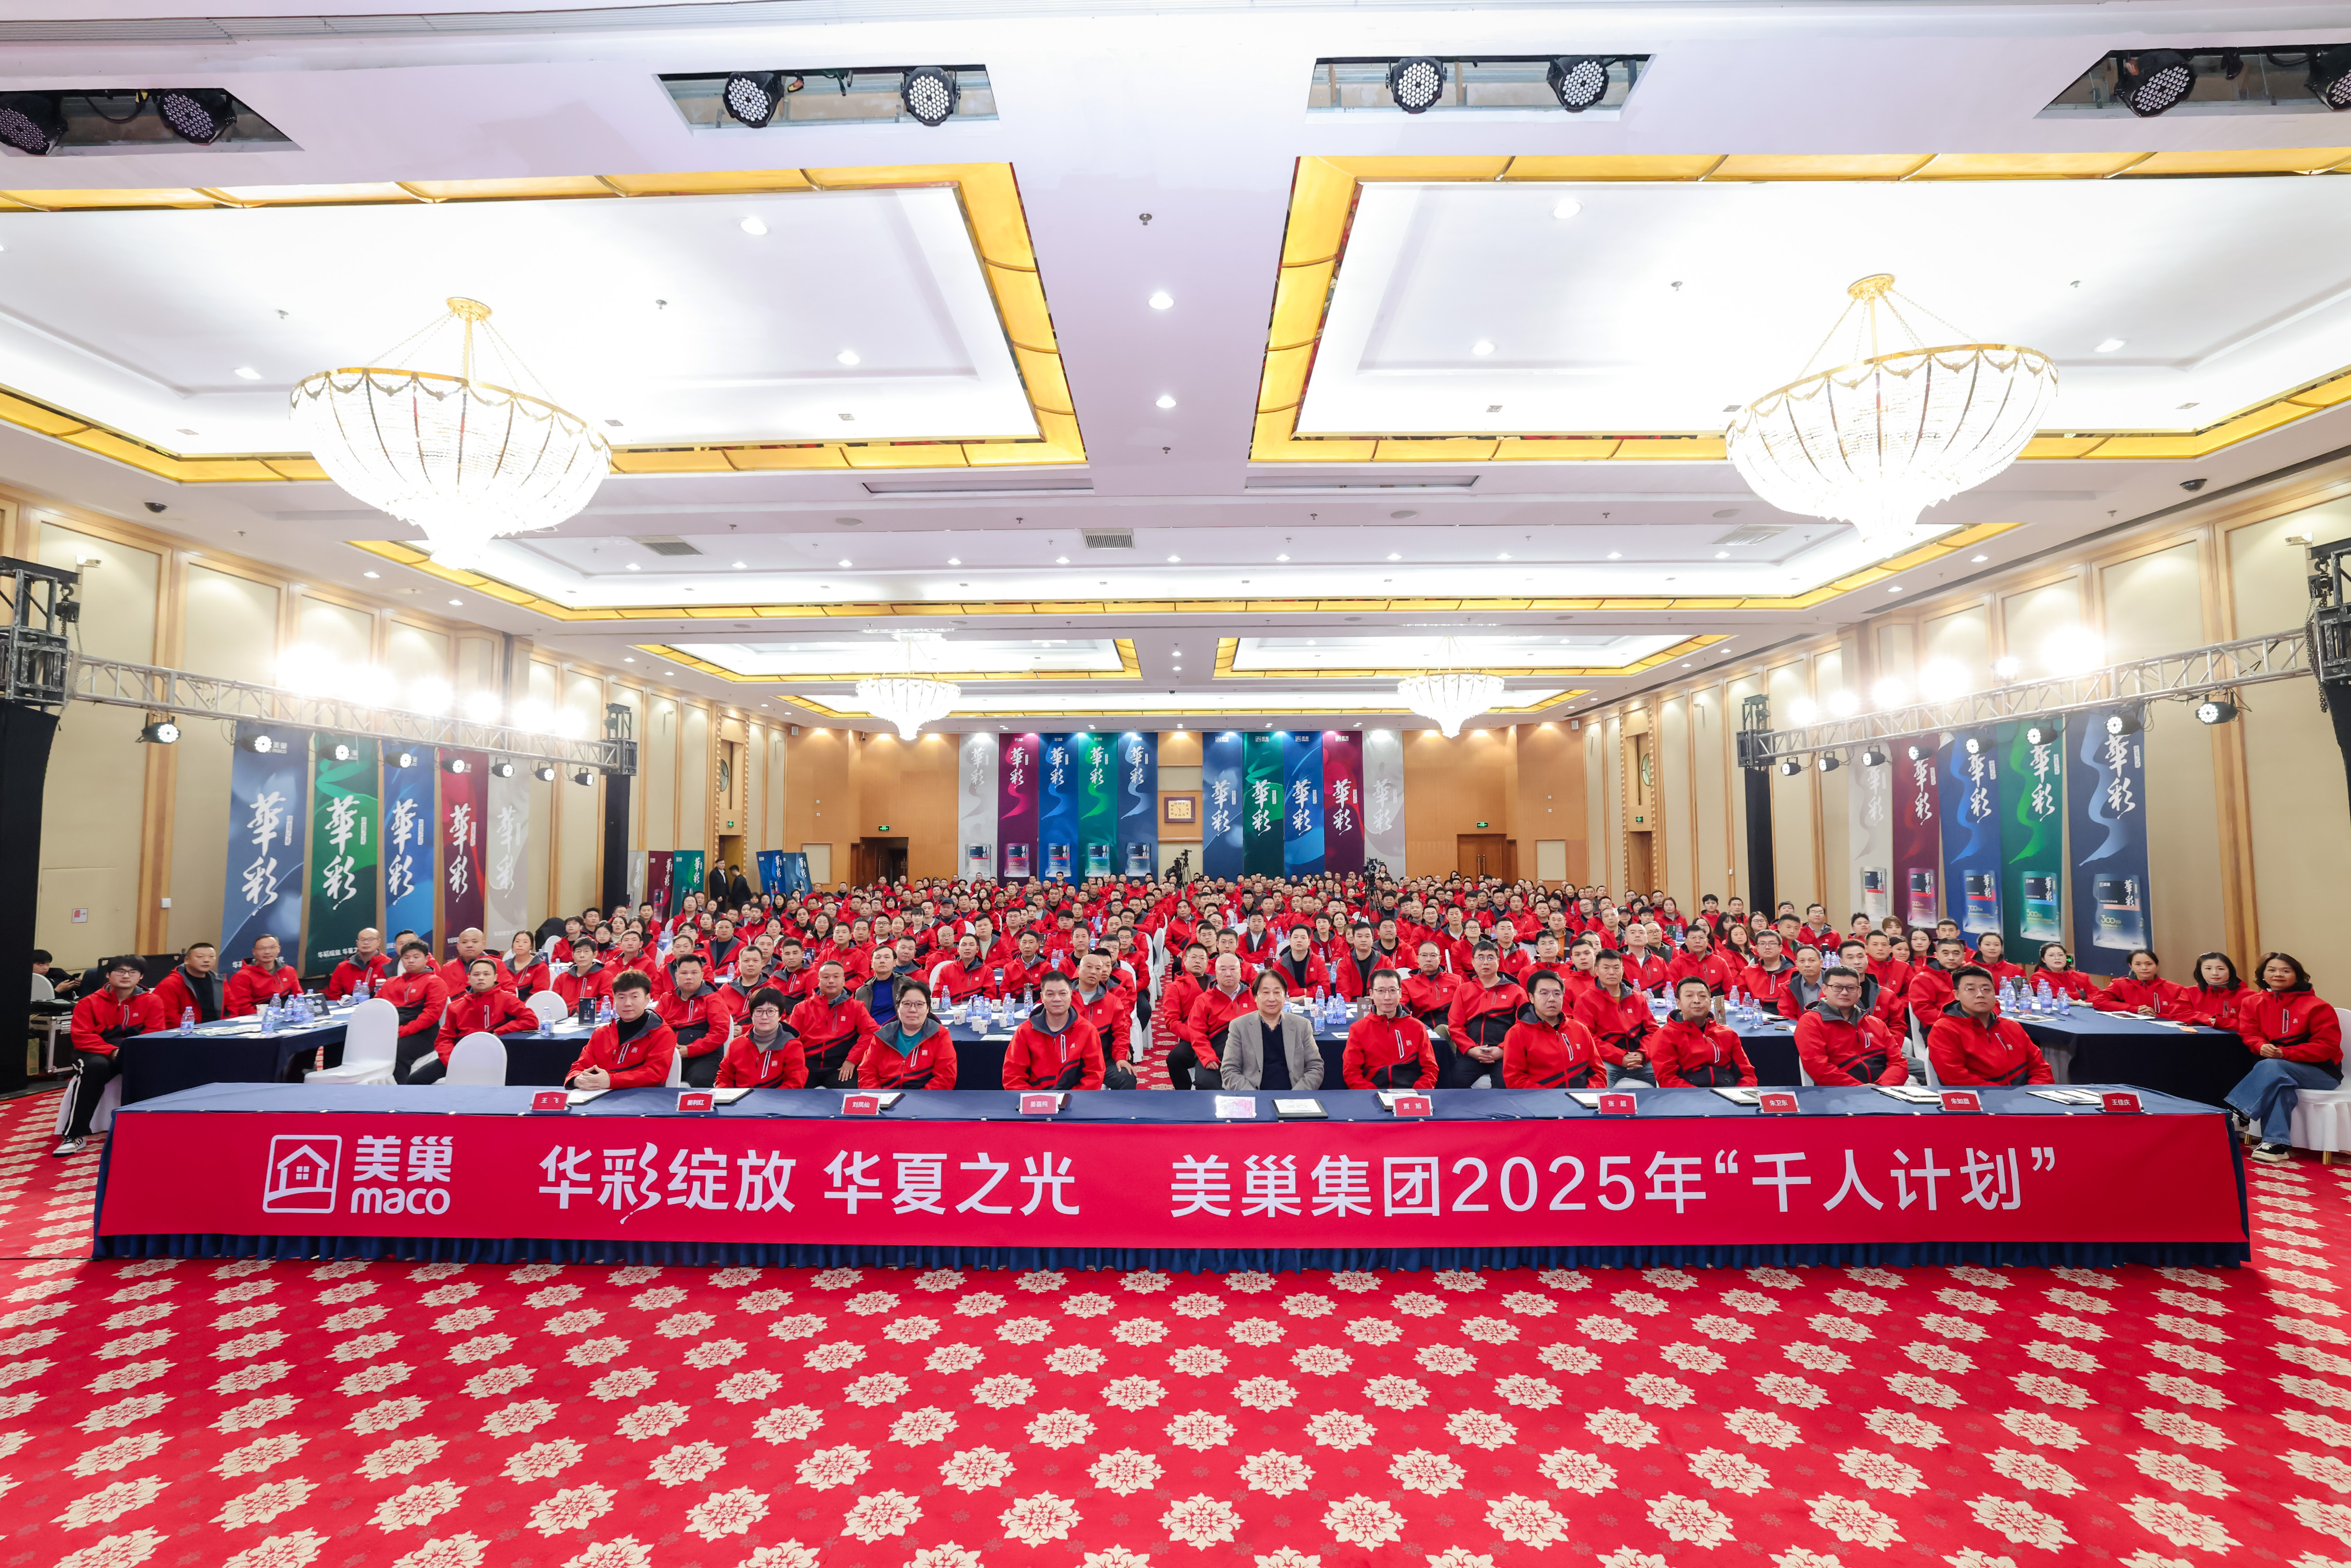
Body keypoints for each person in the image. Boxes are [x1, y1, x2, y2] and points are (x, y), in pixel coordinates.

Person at [2226, 952, 2344, 1165]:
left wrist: (2285, 1053)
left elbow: (2326, 1047)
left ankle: (2240, 1113)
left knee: (2272, 1068)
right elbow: (2249, 1033)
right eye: (2271, 970)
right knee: (2280, 1083)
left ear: (2297, 976)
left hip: (2321, 1072)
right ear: (2262, 975)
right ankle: (2275, 1144)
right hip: (2275, 1070)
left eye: (2285, 970)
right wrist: (2260, 1046)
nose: (2278, 974)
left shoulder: (2317, 1006)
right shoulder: (2252, 1003)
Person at [54, 956, 163, 1156]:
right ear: (108, 975)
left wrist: (130, 1051)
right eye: (120, 971)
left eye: (132, 972)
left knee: (155, 1068)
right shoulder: (88, 1002)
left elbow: (155, 1031)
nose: (126, 976)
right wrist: (112, 1051)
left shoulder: (152, 1001)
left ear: (141, 976)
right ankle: (74, 1135)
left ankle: (147, 1129)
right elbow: (82, 1037)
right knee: (95, 1068)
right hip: (92, 1052)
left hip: (133, 1050)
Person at [412, 956, 538, 1083]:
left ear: (495, 978)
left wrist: (499, 1032)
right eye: (476, 974)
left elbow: (531, 1020)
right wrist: (452, 1061)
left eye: (486, 974)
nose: (481, 978)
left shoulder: (507, 999)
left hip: (495, 1055)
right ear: (469, 979)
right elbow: (444, 1039)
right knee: (415, 1079)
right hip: (461, 1056)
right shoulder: (456, 1006)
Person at [1925, 965, 2052, 1088]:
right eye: (1970, 989)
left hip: (2025, 1097)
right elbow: (1956, 1078)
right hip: (1981, 1099)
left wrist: (2034, 1093)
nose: (1980, 994)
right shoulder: (1944, 1030)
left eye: (1986, 989)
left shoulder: (2012, 1026)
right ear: (1956, 995)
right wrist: (2006, 1096)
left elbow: (2040, 1068)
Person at [1796, 966, 1909, 1087]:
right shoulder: (1811, 1022)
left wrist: (1881, 1087)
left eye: (1851, 988)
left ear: (1859, 992)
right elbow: (1818, 1066)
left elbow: (1898, 1063)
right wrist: (1858, 1089)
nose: (1845, 993)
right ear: (1825, 989)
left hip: (1883, 1090)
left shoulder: (1876, 1024)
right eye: (1837, 987)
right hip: (1839, 1093)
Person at [1501, 969, 1611, 1090]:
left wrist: (1589, 1094)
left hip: (1582, 1099)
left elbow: (1598, 1072)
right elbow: (1515, 1079)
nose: (1552, 999)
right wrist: (1551, 1097)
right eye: (1544, 993)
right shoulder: (1517, 1033)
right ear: (1531, 997)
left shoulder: (1580, 1030)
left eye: (1557, 993)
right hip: (1540, 1099)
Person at [568, 969, 677, 1090]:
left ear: (647, 999)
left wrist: (611, 1080)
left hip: (643, 1097)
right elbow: (579, 1067)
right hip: (599, 1097)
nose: (627, 1003)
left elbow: (655, 1075)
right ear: (614, 999)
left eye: (634, 997)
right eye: (621, 997)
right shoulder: (602, 1033)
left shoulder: (661, 1033)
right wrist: (577, 1080)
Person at [1219, 969, 1324, 1092]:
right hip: (1253, 1094)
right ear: (1255, 997)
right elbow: (1229, 1070)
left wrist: (1297, 1094)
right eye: (1265, 992)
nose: (1272, 998)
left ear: (1285, 996)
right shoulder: (1239, 1026)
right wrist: (1252, 1095)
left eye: (1277, 992)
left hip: (1294, 1095)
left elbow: (1315, 1066)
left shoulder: (1302, 1025)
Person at [1004, 971, 1105, 1091]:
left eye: (1063, 993)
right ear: (1042, 997)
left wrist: (1069, 1098)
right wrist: (1035, 1098)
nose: (1057, 999)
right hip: (1035, 1099)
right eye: (1050, 994)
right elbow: (1013, 1077)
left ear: (1071, 995)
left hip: (1075, 1099)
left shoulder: (1087, 1030)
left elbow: (1094, 1075)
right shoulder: (1025, 1031)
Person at [1650, 976, 1756, 1089]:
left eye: (1702, 996)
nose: (1697, 1000)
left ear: (1710, 1003)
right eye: (1689, 996)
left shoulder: (1728, 1034)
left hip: (1729, 1094)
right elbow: (1667, 1079)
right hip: (1688, 1095)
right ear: (1678, 1003)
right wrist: (1702, 1096)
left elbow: (1748, 1074)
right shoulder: (1665, 1036)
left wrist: (1740, 1093)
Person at [1341, 969, 1438, 1091]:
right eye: (1381, 991)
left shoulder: (1417, 1027)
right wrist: (1372, 1094)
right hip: (1371, 1094)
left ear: (1400, 993)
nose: (1387, 997)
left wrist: (1418, 1092)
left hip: (1412, 1094)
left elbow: (1430, 1069)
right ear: (1371, 994)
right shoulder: (1358, 1029)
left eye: (1393, 990)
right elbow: (1351, 1073)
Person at [1445, 942, 1526, 1087]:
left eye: (1490, 958)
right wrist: (1471, 1050)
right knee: (1453, 1082)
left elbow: (1523, 1026)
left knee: (1506, 1085)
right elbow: (1455, 1026)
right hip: (1472, 1053)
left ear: (1498, 961)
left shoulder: (1516, 991)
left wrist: (1503, 1049)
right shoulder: (1463, 990)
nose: (1486, 962)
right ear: (1473, 962)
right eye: (1481, 958)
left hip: (1505, 1054)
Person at [788, 959, 878, 1088]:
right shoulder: (801, 1008)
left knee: (849, 1096)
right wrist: (798, 1066)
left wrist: (852, 1060)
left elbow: (872, 1032)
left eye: (836, 977)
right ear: (819, 981)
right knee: (793, 1094)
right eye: (826, 977)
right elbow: (791, 1039)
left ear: (844, 980)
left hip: (840, 1067)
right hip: (807, 1067)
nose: (831, 981)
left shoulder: (856, 1007)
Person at [1171, 952, 1254, 1091]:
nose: (1228, 974)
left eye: (1233, 969)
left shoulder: (1254, 997)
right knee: (1207, 1084)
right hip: (1214, 1049)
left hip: (1247, 1050)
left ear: (1240, 972)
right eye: (1223, 969)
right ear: (1215, 972)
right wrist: (1208, 1057)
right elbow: (1197, 1033)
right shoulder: (1203, 1000)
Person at [859, 978, 956, 1090]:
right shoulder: (883, 1035)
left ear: (928, 1009)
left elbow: (945, 1078)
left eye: (919, 1004)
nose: (913, 1010)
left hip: (926, 1098)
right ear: (898, 1008)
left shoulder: (939, 1035)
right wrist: (878, 1097)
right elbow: (866, 1073)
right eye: (907, 1004)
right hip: (886, 1098)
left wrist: (921, 1099)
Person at [377, 940, 452, 1078]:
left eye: (416, 957)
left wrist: (401, 1032)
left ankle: (401, 1089)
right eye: (406, 957)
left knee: (399, 1053)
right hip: (393, 1030)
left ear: (426, 959)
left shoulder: (435, 982)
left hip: (424, 1034)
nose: (411, 961)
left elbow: (430, 1016)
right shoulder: (390, 983)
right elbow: (377, 1008)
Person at [660, 954, 735, 1089]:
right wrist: (669, 1048)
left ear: (702, 976)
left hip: (705, 1056)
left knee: (699, 1080)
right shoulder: (667, 999)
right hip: (670, 1054)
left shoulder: (713, 999)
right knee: (653, 1076)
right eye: (684, 973)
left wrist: (689, 1050)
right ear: (677, 976)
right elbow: (655, 1028)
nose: (689, 977)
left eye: (694, 973)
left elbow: (720, 1033)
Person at [1069, 951, 1140, 1088]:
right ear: (1078, 969)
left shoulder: (1112, 1001)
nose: (1093, 972)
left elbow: (1121, 1032)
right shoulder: (1065, 997)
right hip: (1070, 1059)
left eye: (1098, 968)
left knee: (1126, 1077)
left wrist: (1120, 1057)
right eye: (1089, 967)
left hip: (1102, 1057)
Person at [715, 986, 805, 1089]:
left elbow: (795, 1083)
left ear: (780, 1015)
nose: (764, 1017)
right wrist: (726, 1095)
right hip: (741, 1098)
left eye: (771, 1011)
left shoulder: (792, 1046)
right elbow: (724, 1077)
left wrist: (771, 1099)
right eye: (759, 1011)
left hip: (778, 1098)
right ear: (751, 1015)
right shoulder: (736, 1044)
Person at [2093, 949, 2198, 1020]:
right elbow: (2099, 1001)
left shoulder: (2175, 988)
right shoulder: (2120, 984)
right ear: (2131, 966)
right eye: (2138, 964)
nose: (2144, 968)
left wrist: (2157, 1016)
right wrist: (2134, 1009)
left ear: (2157, 965)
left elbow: (2183, 1014)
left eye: (2149, 964)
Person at [1904, 936, 1972, 1036]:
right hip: (1940, 1030)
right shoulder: (1923, 979)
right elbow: (1925, 1012)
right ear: (1936, 955)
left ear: (1964, 956)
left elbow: (1986, 1002)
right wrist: (1957, 1020)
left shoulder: (1973, 977)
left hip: (1972, 1025)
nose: (1951, 958)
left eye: (1956, 953)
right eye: (1945, 953)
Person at [224, 934, 301, 1017]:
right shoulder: (242, 976)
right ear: (254, 952)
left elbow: (298, 997)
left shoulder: (289, 970)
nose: (267, 952)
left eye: (272, 948)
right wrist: (268, 1016)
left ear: (279, 949)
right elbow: (242, 1009)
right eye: (262, 949)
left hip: (287, 1016)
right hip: (258, 1018)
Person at [151, 941, 223, 1024]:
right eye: (200, 957)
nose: (207, 960)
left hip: (219, 1028)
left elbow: (231, 1008)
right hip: (187, 1029)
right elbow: (168, 1016)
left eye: (212, 957)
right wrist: (193, 1027)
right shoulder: (170, 984)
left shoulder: (219, 981)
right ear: (187, 960)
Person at [2184, 951, 2252, 1032]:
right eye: (2208, 969)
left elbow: (2253, 1025)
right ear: (2200, 971)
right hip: (2195, 1038)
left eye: (2221, 969)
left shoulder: (2249, 996)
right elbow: (2179, 1014)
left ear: (2230, 971)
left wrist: (2222, 1022)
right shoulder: (2188, 993)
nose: (2215, 973)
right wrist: (2205, 1018)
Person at [326, 928, 391, 1001]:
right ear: (357, 943)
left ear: (379, 942)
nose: (366, 943)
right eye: (362, 940)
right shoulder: (343, 967)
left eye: (371, 939)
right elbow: (334, 996)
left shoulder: (389, 964)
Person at [554, 940, 614, 1019]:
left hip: (592, 1019)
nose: (582, 955)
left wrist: (582, 1010)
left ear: (595, 954)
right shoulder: (563, 977)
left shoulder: (605, 976)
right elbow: (554, 1002)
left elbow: (609, 1001)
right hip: (564, 1019)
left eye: (586, 951)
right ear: (573, 955)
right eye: (578, 951)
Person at [2029, 943, 2101, 1002]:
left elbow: (2096, 995)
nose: (2057, 958)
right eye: (2051, 955)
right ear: (2043, 959)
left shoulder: (2081, 976)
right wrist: (2079, 995)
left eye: (2061, 955)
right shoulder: (2039, 977)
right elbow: (2052, 995)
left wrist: (2085, 1002)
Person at [499, 929, 550, 998]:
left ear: (531, 946)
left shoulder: (540, 966)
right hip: (506, 1002)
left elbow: (539, 995)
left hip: (529, 1003)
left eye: (525, 942)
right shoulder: (504, 965)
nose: (520, 945)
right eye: (517, 941)